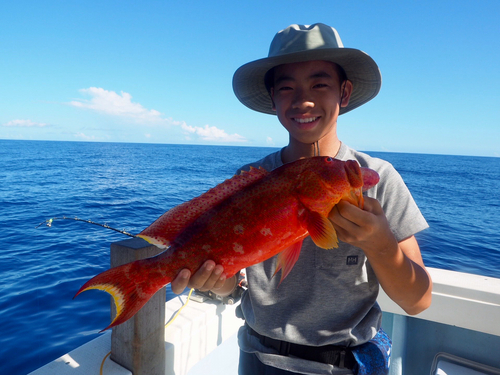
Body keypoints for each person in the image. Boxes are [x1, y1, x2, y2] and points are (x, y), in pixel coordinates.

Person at [170, 23, 432, 375]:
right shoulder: (250, 180)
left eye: (319, 84)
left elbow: (418, 301)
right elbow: (235, 280)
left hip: (346, 365)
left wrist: (381, 245)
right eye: (287, 87)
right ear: (273, 99)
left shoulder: (379, 178)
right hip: (257, 359)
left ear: (345, 92)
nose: (303, 99)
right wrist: (220, 283)